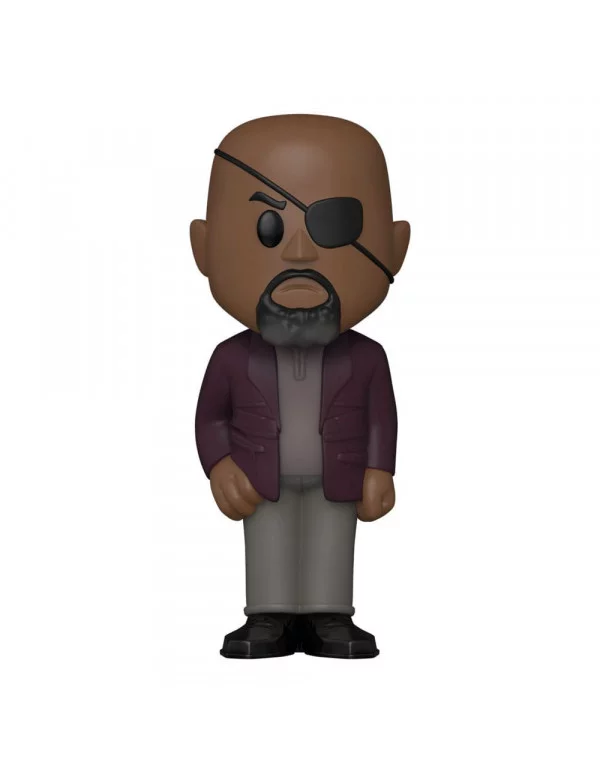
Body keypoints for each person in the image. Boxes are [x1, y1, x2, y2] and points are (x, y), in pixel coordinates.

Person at [190, 114, 410, 658]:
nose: (298, 253)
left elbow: (381, 418)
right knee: (268, 539)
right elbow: (211, 416)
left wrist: (380, 468)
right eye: (268, 229)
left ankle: (328, 613)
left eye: (332, 226)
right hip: (261, 474)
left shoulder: (367, 357)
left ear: (395, 248)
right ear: (203, 248)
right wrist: (220, 465)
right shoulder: (231, 358)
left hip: (340, 473)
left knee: (333, 540)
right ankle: (269, 614)